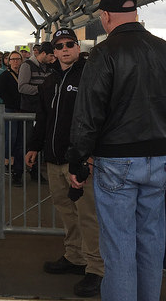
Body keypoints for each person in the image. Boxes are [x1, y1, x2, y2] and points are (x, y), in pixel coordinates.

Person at [66, 0, 166, 301]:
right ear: (136, 13)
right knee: (151, 246)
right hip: (159, 162)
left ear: (106, 16)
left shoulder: (104, 53)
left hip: (116, 163)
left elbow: (88, 114)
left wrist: (77, 161)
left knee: (119, 248)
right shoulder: (165, 50)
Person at [26, 28, 103, 297]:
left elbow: (98, 119)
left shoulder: (90, 76)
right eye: (59, 46)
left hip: (79, 161)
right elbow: (43, 116)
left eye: (70, 44)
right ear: (54, 52)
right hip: (54, 158)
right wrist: (34, 146)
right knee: (66, 210)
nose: (65, 49)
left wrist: (89, 155)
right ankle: (74, 256)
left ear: (78, 46)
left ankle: (96, 268)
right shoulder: (50, 81)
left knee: (88, 214)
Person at [18, 41, 54, 182]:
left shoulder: (49, 67)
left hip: (43, 110)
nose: (53, 58)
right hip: (29, 110)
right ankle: (19, 172)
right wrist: (42, 91)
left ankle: (35, 171)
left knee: (37, 141)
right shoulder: (27, 66)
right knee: (26, 142)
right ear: (43, 54)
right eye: (51, 55)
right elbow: (22, 87)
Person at [0, 51, 24, 186]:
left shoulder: (25, 75)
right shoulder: (4, 76)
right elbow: (1, 92)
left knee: (20, 139)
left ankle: (16, 168)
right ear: (8, 61)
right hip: (10, 109)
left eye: (17, 59)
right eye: (12, 59)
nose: (15, 62)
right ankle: (7, 161)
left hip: (22, 110)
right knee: (11, 137)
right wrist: (14, 103)